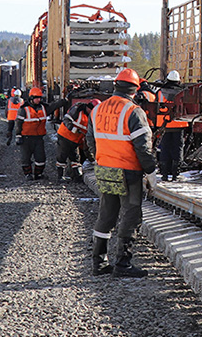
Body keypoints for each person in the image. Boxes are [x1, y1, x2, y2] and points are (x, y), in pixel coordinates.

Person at [87, 67, 156, 277]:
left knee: (106, 214)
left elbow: (90, 140)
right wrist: (151, 171)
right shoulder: (133, 111)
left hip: (105, 170)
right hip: (128, 172)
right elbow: (143, 148)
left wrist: (102, 159)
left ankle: (98, 263)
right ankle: (123, 264)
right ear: (134, 90)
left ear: (115, 86)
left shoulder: (98, 110)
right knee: (131, 215)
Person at [56, 99, 95, 181]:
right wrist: (74, 130)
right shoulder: (78, 110)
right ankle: (60, 176)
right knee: (62, 156)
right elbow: (66, 120)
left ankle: (77, 176)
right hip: (65, 136)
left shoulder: (91, 118)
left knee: (75, 158)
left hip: (75, 140)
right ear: (89, 108)